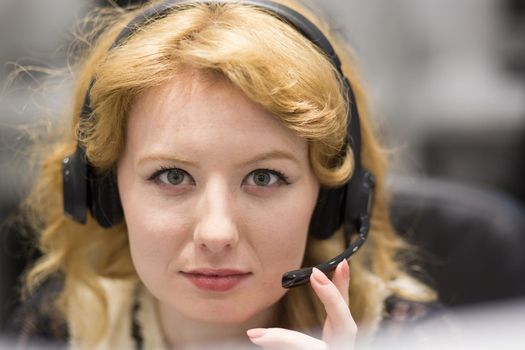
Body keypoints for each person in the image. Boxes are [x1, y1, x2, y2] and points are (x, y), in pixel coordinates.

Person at [8, 0, 436, 348]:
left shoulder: (408, 334)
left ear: (331, 198)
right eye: (172, 176)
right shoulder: (64, 327)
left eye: (265, 177)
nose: (216, 233)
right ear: (103, 191)